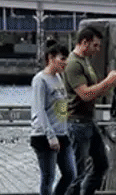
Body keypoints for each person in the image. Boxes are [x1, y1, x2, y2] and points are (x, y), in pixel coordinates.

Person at [63, 27, 116, 195]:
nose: (97, 50)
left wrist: (112, 82)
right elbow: (85, 94)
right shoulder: (73, 64)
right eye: (95, 45)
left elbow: (95, 91)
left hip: (87, 121)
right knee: (78, 172)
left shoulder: (85, 61)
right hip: (77, 122)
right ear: (84, 42)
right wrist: (108, 81)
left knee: (101, 165)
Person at [31, 41, 74, 195]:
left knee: (70, 174)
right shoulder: (40, 80)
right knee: (48, 177)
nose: (65, 62)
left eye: (66, 59)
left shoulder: (58, 78)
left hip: (62, 133)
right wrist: (50, 136)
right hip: (44, 135)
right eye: (62, 58)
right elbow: (39, 110)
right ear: (50, 58)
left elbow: (60, 105)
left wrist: (65, 123)